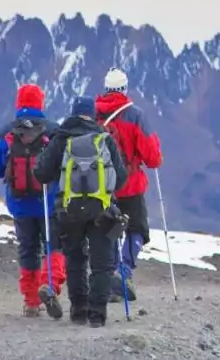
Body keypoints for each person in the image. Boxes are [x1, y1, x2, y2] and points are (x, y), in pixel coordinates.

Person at [35, 96, 128, 327]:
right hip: (101, 211)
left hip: (68, 211)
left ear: (74, 113)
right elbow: (122, 177)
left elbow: (42, 173)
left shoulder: (61, 138)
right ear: (93, 115)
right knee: (102, 263)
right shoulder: (105, 139)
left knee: (75, 260)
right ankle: (97, 314)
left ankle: (78, 311)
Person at [0, 84, 66, 318]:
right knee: (55, 245)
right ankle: (49, 285)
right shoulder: (53, 132)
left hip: (19, 203)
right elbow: (63, 165)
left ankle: (31, 301)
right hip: (48, 201)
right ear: (41, 103)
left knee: (28, 249)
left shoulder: (6, 132)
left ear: (18, 103)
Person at [95, 68, 162, 302]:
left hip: (102, 186)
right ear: (124, 88)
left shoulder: (94, 115)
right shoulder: (135, 116)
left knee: (109, 230)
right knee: (137, 229)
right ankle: (124, 272)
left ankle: (110, 276)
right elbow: (152, 157)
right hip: (131, 185)